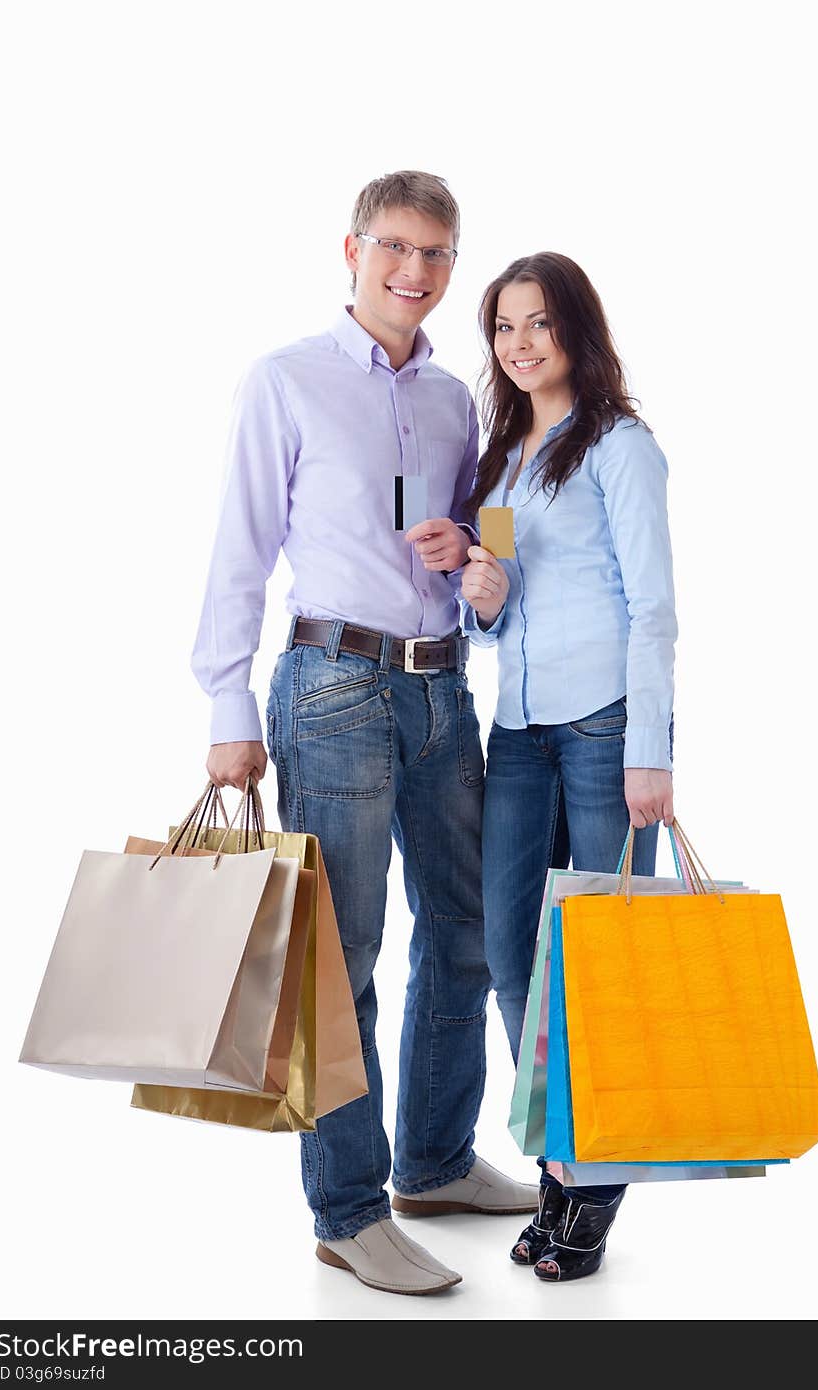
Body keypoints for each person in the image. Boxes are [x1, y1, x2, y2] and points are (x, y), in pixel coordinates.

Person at [191, 171, 537, 1297]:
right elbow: (240, 553)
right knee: (340, 963)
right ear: (350, 250)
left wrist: (475, 564)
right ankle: (346, 1209)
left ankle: (431, 1162)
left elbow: (493, 549)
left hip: (442, 695)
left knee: (471, 931)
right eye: (396, 246)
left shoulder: (456, 404)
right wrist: (228, 708)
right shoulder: (284, 381)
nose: (416, 271)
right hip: (330, 685)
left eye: (438, 253)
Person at [460, 252, 677, 1282]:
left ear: (575, 329)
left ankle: (592, 1182)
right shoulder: (501, 457)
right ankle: (558, 1155)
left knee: (604, 969)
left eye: (538, 322)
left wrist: (650, 752)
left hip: (601, 738)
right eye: (503, 327)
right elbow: (492, 620)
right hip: (518, 735)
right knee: (512, 955)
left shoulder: (619, 446)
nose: (520, 343)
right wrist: (482, 593)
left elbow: (653, 608)